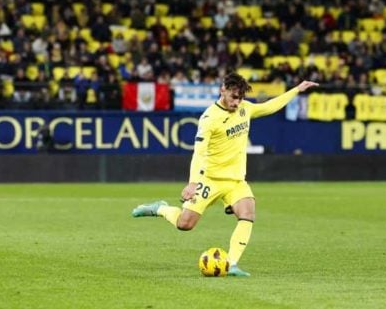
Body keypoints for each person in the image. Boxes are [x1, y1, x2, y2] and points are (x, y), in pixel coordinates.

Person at [132, 73, 319, 277]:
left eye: (240, 97)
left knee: (248, 213)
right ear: (223, 90)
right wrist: (193, 182)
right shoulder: (209, 118)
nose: (237, 102)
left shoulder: (244, 108)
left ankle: (232, 263)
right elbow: (199, 152)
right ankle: (161, 209)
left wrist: (296, 90)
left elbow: (269, 107)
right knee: (185, 224)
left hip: (236, 181)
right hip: (210, 180)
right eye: (234, 97)